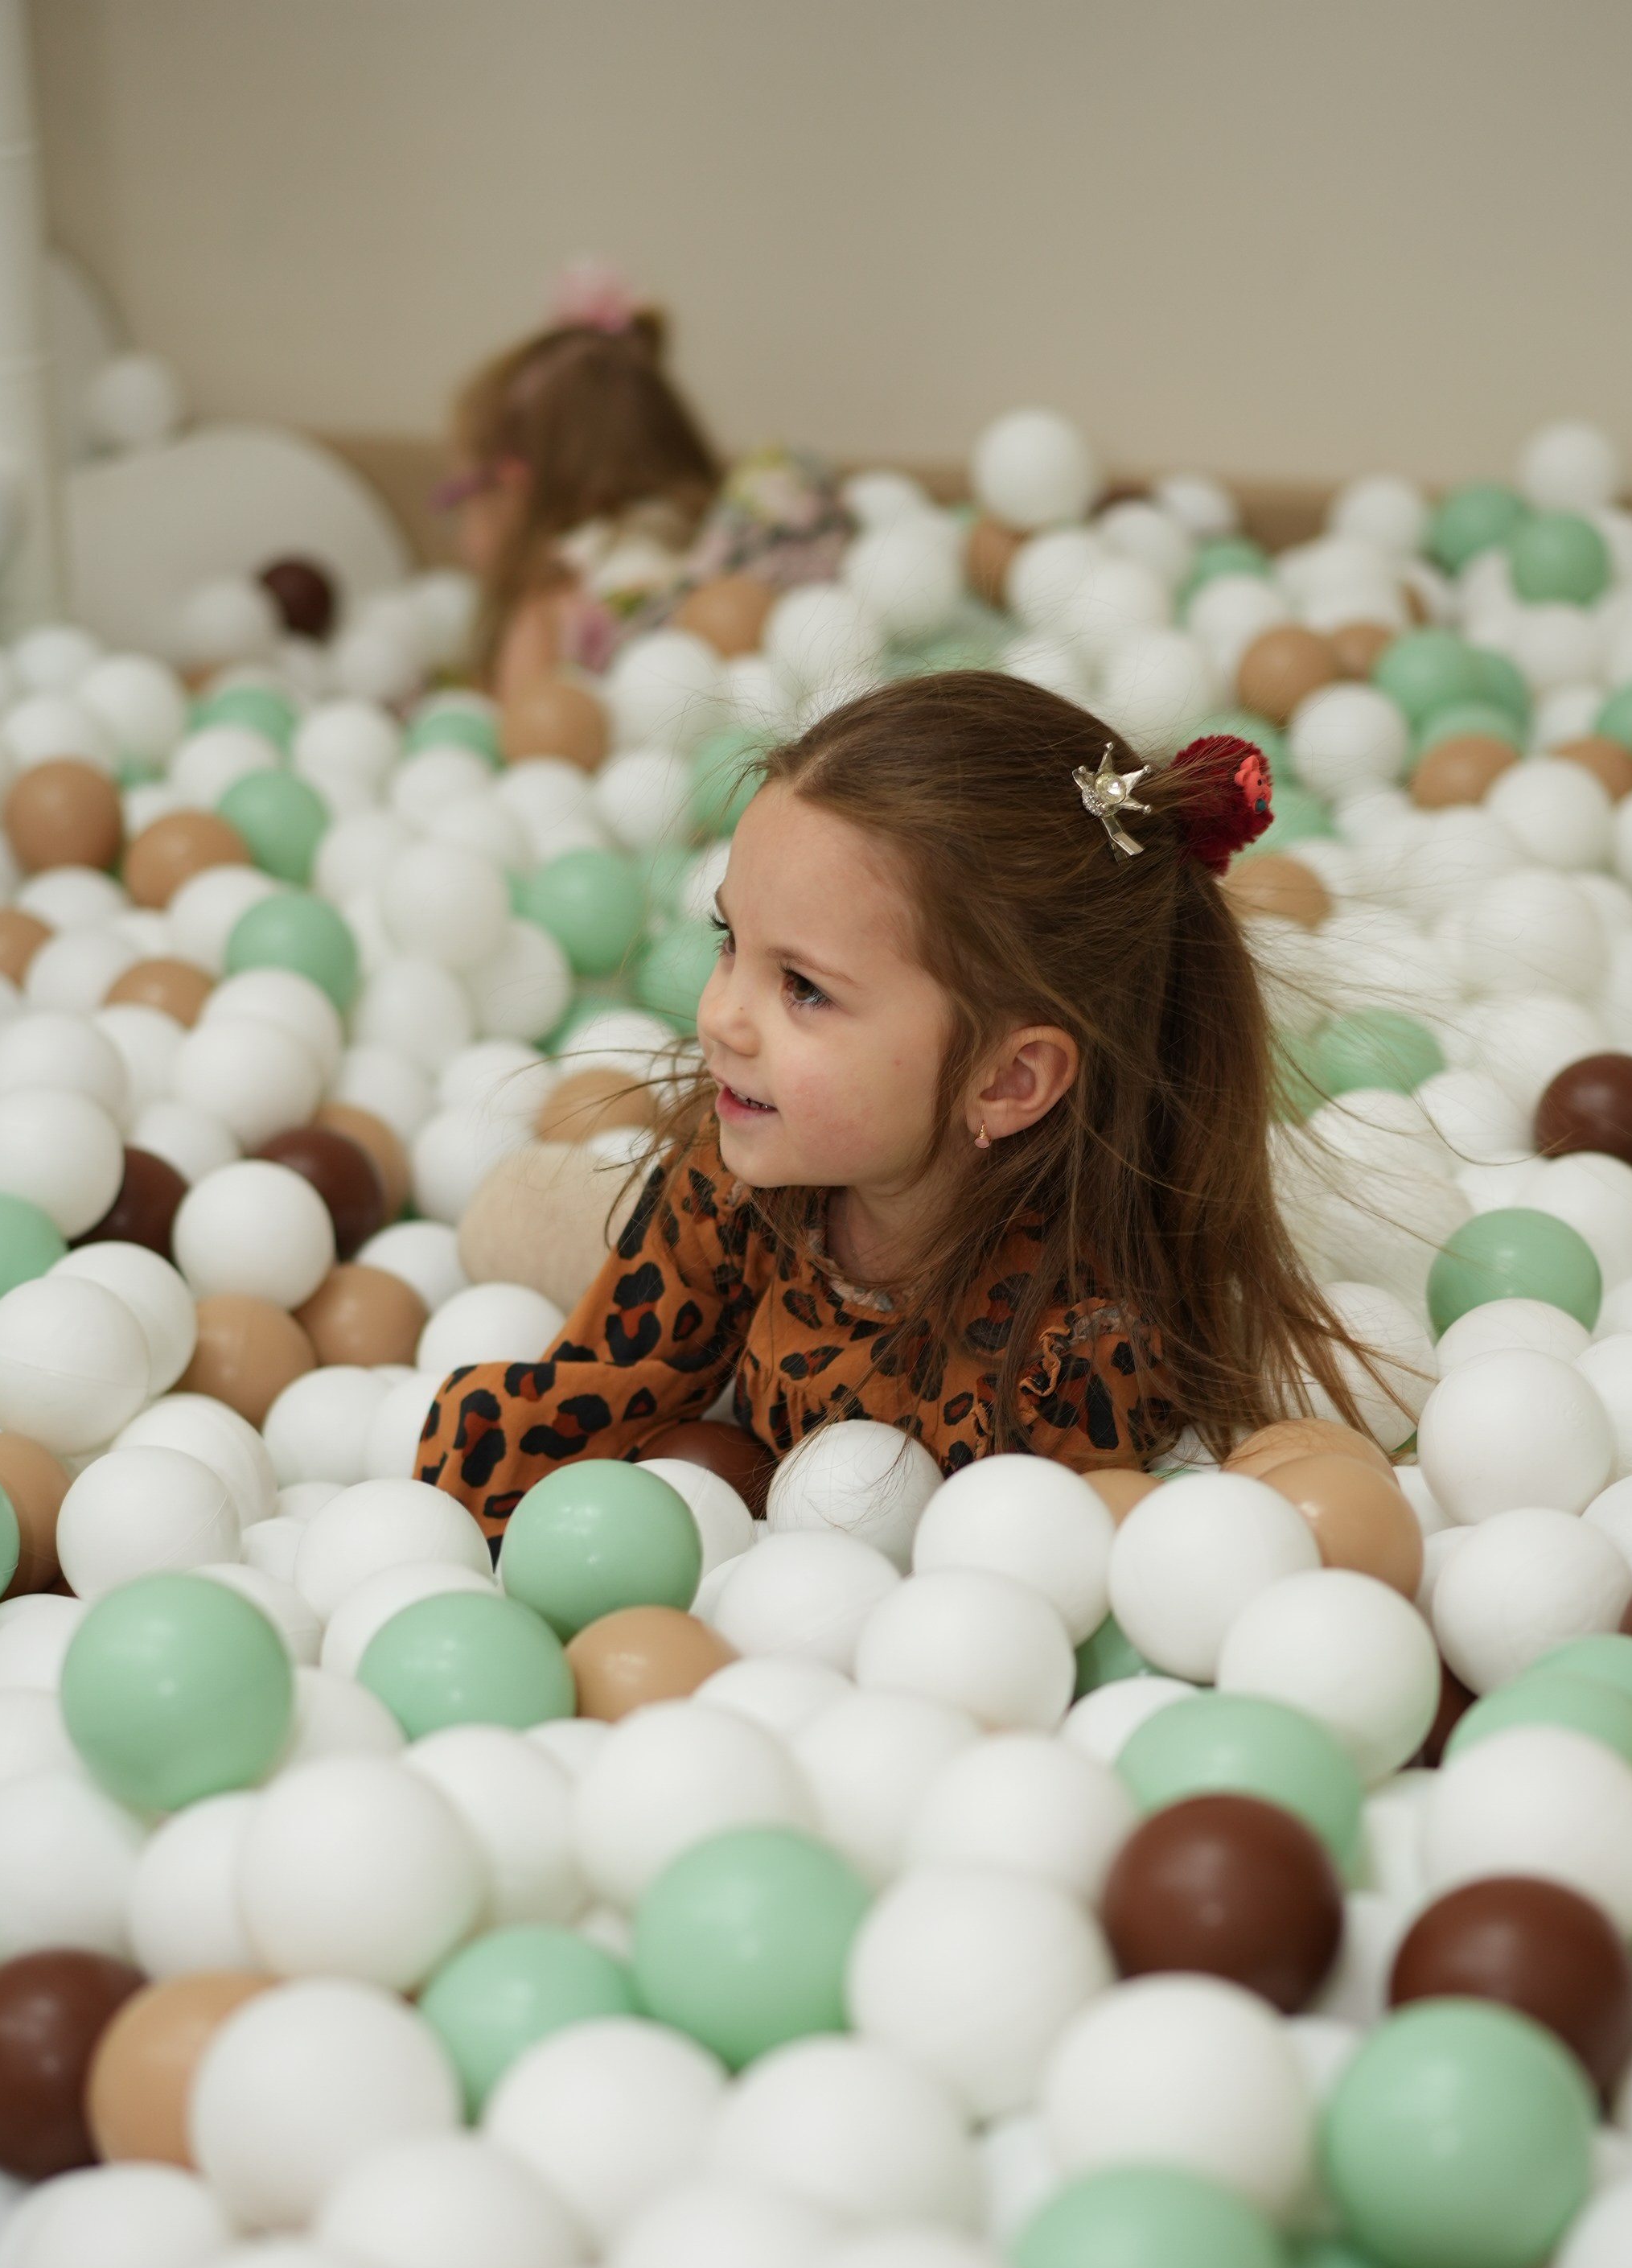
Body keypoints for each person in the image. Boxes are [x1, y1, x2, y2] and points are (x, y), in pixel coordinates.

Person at [419, 670, 1373, 1542]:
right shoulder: (733, 1177)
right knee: (515, 1211)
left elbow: (1028, 1587)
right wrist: (450, 1520)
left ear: (1004, 1083)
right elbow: (603, 1381)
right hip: (723, 1283)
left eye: (801, 988)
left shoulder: (1066, 1359)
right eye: (727, 939)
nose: (719, 1016)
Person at [444, 259, 851, 698]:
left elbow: (524, 738)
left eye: (455, 494)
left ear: (511, 487)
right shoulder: (721, 544)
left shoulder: (548, 605)